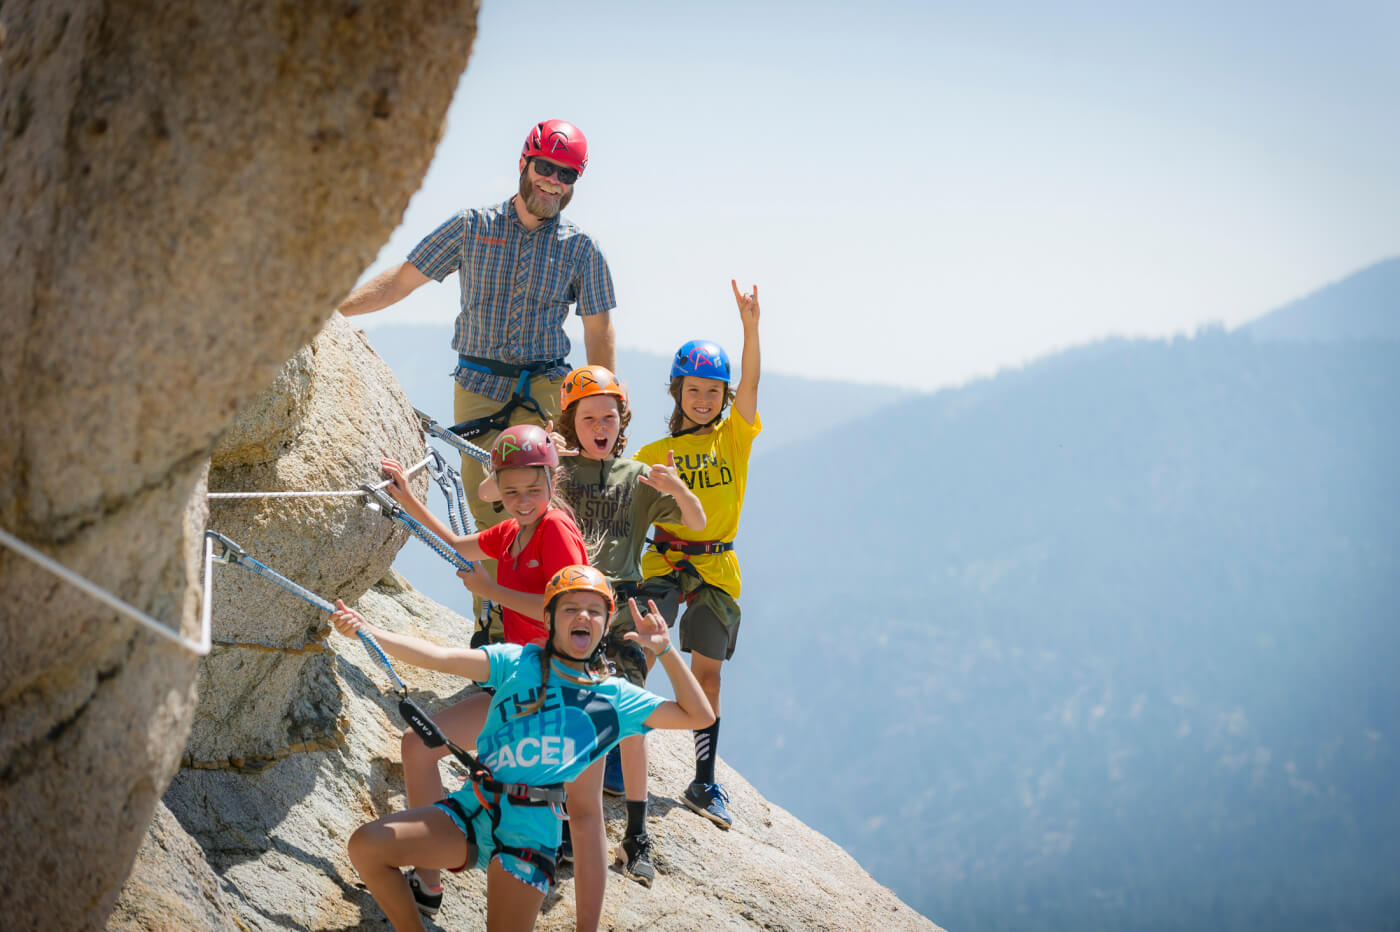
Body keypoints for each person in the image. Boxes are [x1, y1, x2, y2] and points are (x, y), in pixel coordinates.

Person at [338, 118, 616, 644]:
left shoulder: (582, 250)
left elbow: (600, 333)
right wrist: (331, 312)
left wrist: (597, 411)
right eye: (546, 168)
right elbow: (403, 279)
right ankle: (491, 627)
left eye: (566, 174)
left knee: (543, 508)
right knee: (487, 508)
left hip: (546, 391)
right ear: (524, 164)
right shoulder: (471, 227)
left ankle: (558, 633)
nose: (554, 181)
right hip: (480, 386)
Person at [330, 565, 714, 932]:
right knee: (368, 847)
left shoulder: (614, 698)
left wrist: (665, 651)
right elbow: (439, 658)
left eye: (595, 610)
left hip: (529, 836)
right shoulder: (517, 661)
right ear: (549, 620)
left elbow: (699, 715)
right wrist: (368, 632)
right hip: (472, 809)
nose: (583, 615)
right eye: (571, 608)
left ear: (606, 624)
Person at [484, 364, 706, 885]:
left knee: (630, 719)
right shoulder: (556, 471)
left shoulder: (637, 476)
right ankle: (561, 833)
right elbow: (500, 496)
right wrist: (545, 453)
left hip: (622, 606)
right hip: (572, 606)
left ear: (621, 420)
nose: (600, 426)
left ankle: (636, 835)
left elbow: (694, 522)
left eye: (609, 416)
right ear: (571, 421)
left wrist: (675, 486)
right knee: (563, 710)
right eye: (588, 418)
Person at [378, 424, 603, 924]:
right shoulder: (514, 531)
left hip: (548, 687)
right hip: (516, 677)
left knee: (420, 747)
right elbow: (459, 542)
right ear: (498, 491)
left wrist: (492, 591)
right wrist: (409, 498)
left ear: (552, 480)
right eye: (511, 491)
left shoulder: (555, 532)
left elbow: (567, 608)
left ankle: (432, 878)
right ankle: (428, 880)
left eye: (533, 489)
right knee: (418, 747)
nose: (523, 500)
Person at [632, 280, 761, 831]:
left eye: (714, 391)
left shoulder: (734, 436)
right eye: (694, 390)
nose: (704, 399)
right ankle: (618, 757)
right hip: (663, 561)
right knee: (633, 655)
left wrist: (751, 329)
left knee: (707, 677)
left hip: (715, 566)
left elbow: (752, 385)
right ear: (677, 392)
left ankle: (704, 781)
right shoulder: (652, 454)